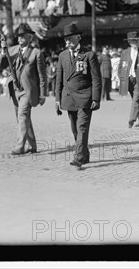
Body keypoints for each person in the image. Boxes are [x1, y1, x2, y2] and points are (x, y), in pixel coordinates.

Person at [55, 23, 101, 168]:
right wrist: (57, 99)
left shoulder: (89, 55)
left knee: (81, 128)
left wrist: (95, 98)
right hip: (68, 98)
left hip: (85, 97)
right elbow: (59, 80)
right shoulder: (62, 56)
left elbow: (96, 78)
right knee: (75, 129)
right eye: (65, 39)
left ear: (78, 37)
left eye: (70, 38)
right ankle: (85, 154)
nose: (67, 42)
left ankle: (79, 157)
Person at [0, 24, 47, 156]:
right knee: (23, 118)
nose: (19, 38)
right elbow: (0, 65)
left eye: (22, 36)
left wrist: (43, 94)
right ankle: (32, 145)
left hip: (28, 91)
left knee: (22, 115)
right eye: (18, 36)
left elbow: (42, 75)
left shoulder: (36, 53)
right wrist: (3, 51)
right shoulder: (12, 50)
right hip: (15, 89)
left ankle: (20, 146)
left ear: (29, 37)